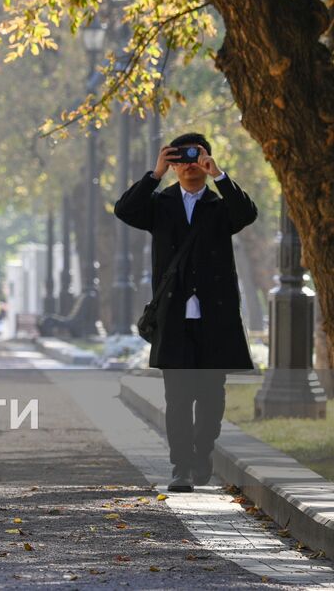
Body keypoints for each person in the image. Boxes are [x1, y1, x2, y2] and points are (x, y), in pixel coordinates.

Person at [114, 131, 257, 492]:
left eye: (196, 156)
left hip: (215, 319)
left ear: (207, 158)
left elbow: (247, 213)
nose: (189, 163)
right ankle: (180, 467)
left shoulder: (220, 205)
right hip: (174, 318)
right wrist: (155, 173)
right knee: (177, 399)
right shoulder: (160, 205)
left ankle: (202, 452)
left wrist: (219, 174)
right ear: (173, 163)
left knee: (211, 398)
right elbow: (125, 210)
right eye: (182, 157)